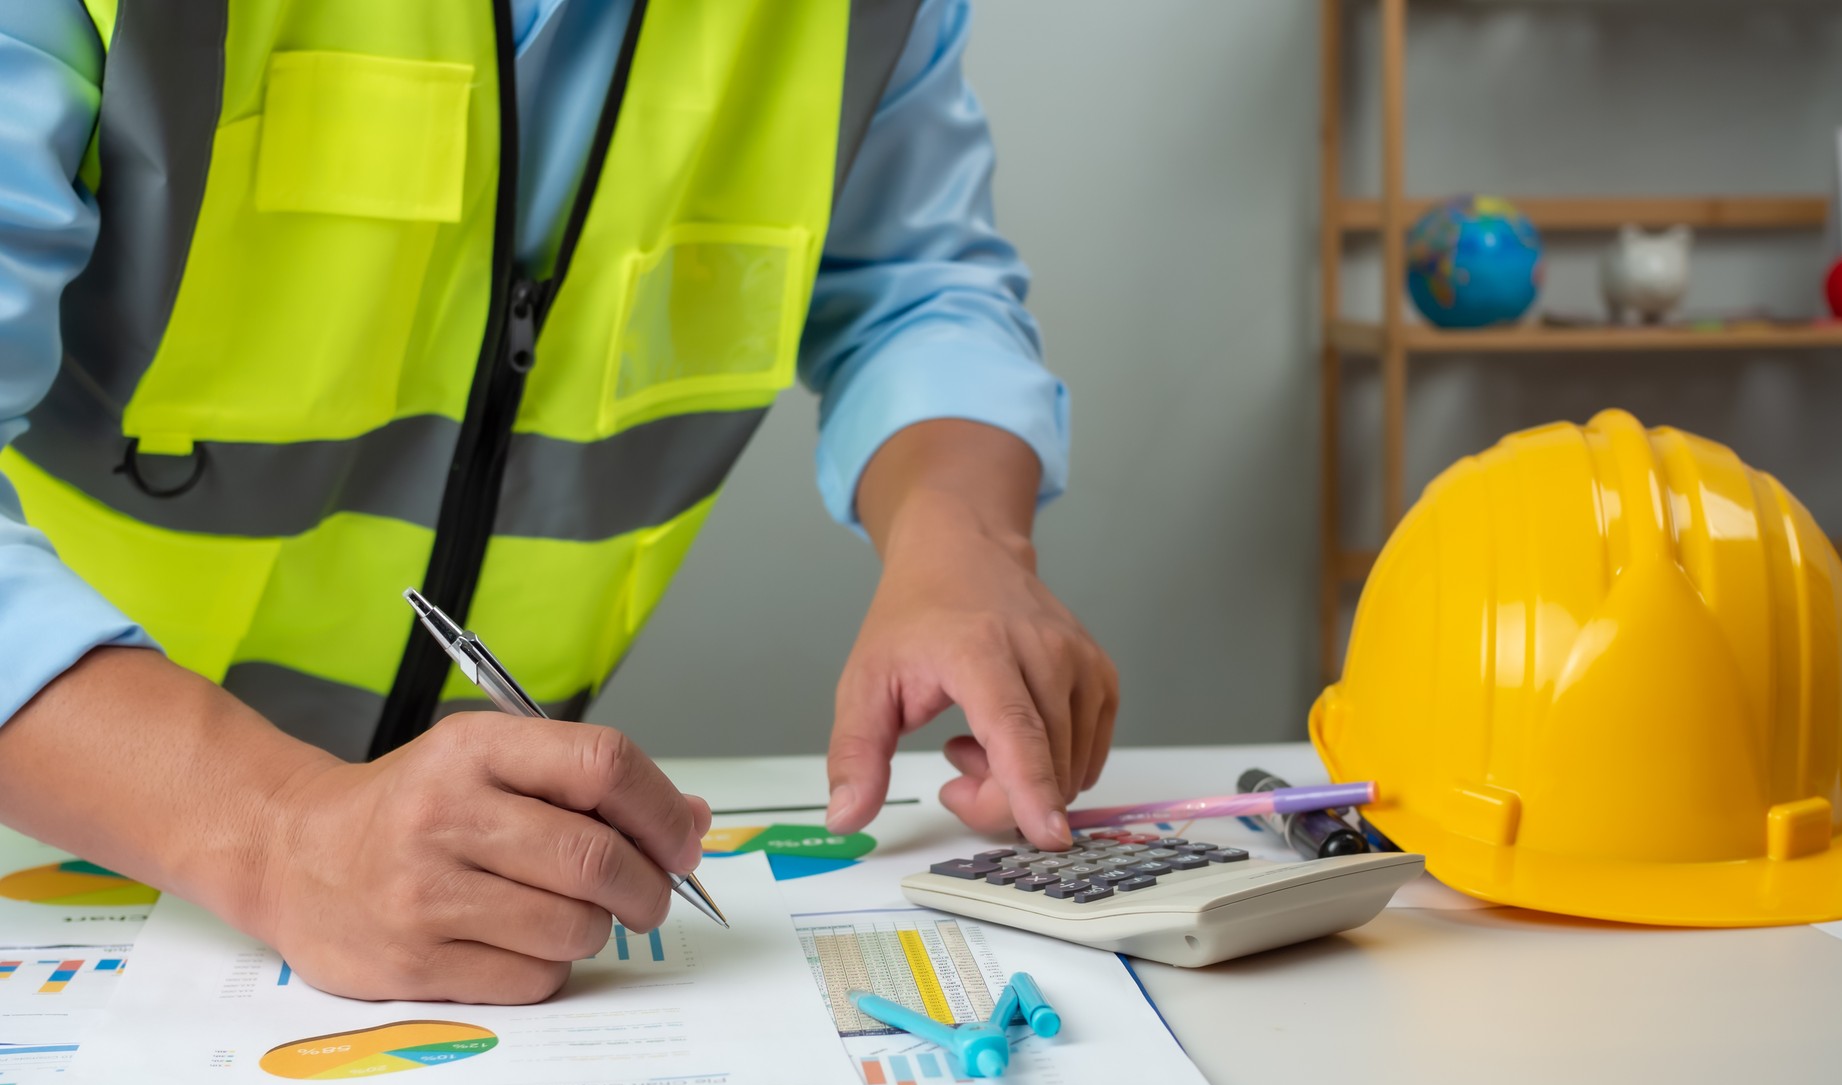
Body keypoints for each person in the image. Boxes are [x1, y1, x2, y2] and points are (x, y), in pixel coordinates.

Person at [0, 1, 1116, 1003]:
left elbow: (914, 291)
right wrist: (277, 830)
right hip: (68, 840)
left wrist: (964, 546)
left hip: (478, 895)